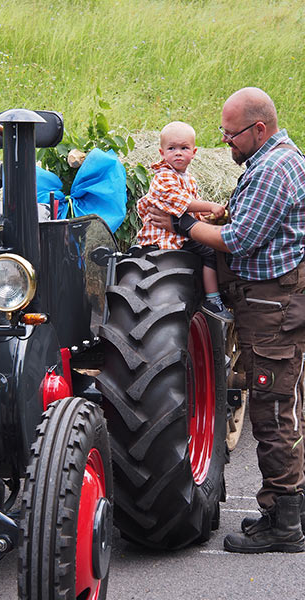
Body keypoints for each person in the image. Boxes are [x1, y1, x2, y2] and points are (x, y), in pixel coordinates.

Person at [147, 87, 305, 554]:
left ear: (259, 129)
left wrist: (179, 224)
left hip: (273, 308)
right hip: (272, 303)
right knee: (285, 407)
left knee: (273, 411)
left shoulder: (276, 168)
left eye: (231, 135)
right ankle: (284, 506)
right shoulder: (269, 161)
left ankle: (286, 525)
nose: (226, 144)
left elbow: (238, 238)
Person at [136, 121, 233, 323]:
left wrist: (205, 218)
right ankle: (212, 299)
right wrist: (210, 206)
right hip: (167, 237)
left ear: (194, 152)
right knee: (209, 253)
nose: (178, 153)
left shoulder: (189, 179)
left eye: (184, 148)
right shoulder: (163, 176)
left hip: (180, 233)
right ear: (162, 153)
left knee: (213, 250)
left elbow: (190, 212)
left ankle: (216, 293)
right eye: (172, 148)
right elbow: (181, 202)